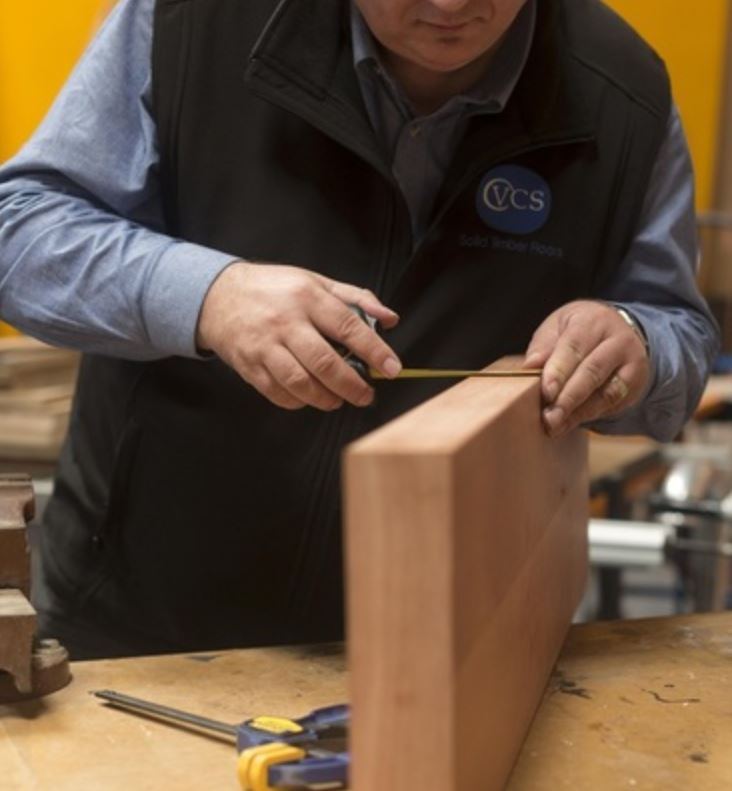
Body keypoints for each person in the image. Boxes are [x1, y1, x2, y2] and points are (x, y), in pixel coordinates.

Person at [0, 0, 719, 658]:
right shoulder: (193, 19)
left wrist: (634, 341)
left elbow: (679, 334)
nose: (450, 4)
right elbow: (21, 233)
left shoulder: (624, 93)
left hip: (445, 653)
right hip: (141, 628)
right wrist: (209, 297)